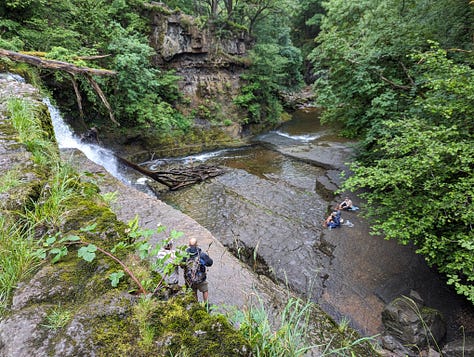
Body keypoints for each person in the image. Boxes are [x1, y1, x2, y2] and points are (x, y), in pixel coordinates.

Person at [182, 238, 213, 303]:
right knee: (205, 290)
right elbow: (210, 263)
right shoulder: (202, 255)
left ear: (189, 245)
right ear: (197, 245)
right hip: (200, 279)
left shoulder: (185, 255)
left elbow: (182, 266)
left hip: (190, 280)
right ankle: (206, 304)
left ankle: (196, 304)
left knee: (193, 292)